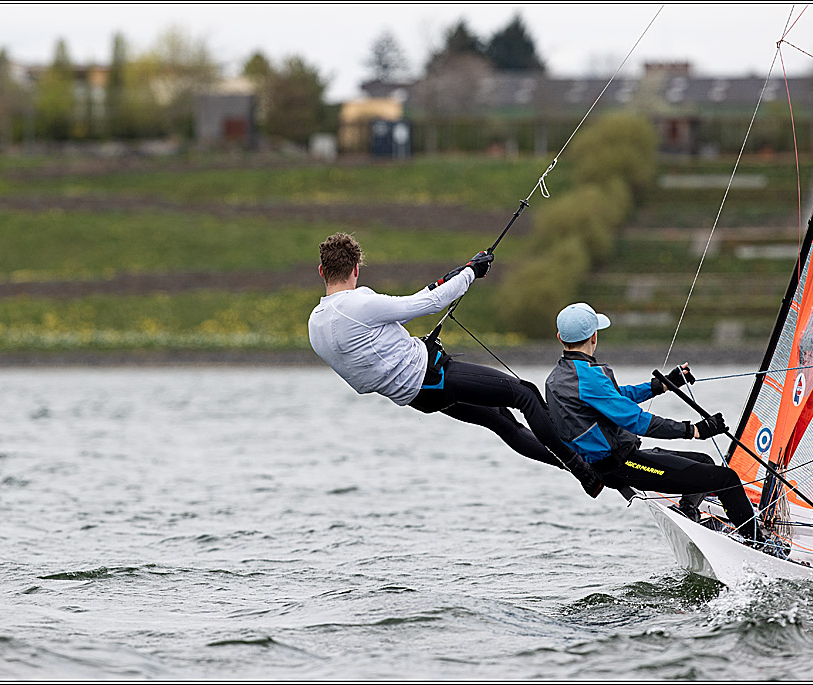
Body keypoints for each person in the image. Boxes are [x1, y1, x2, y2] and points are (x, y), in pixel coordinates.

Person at [307, 232, 604, 498]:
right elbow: (427, 305)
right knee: (524, 394)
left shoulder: (316, 324)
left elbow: (409, 308)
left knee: (501, 421)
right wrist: (471, 273)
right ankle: (582, 466)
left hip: (419, 398)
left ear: (322, 271)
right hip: (435, 378)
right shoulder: (359, 304)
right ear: (356, 269)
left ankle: (583, 472)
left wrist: (449, 279)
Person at [544, 302, 787, 556]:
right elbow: (636, 421)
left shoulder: (558, 378)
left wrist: (662, 385)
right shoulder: (587, 377)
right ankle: (761, 546)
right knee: (726, 479)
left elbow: (614, 397)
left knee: (705, 460)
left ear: (560, 337)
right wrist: (694, 430)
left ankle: (688, 513)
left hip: (609, 464)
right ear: (594, 336)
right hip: (622, 465)